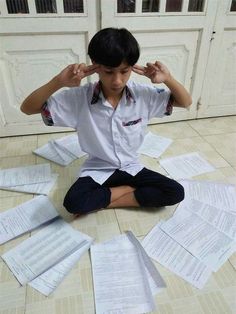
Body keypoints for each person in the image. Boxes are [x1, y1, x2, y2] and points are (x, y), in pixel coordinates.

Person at [21, 27, 192, 215]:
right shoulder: (79, 99)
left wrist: (168, 79)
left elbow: (185, 102)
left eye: (125, 71)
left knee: (175, 192)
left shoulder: (143, 96)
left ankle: (106, 201)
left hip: (131, 167)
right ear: (95, 65)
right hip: (98, 169)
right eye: (109, 71)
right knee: (73, 203)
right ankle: (129, 191)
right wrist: (58, 81)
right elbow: (28, 108)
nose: (117, 81)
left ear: (133, 67)